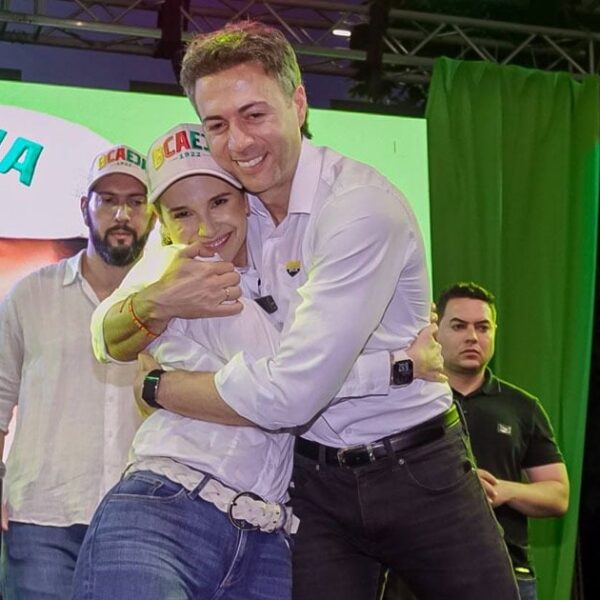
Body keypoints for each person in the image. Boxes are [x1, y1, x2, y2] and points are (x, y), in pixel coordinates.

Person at [91, 22, 519, 600]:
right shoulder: (227, 213)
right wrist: (155, 303)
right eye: (217, 124)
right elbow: (106, 329)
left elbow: (293, 394)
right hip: (310, 484)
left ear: (298, 103)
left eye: (254, 115)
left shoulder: (359, 209)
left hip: (418, 467)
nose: (238, 142)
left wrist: (161, 387)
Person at [74, 123, 441, 599]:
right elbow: (289, 389)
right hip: (170, 506)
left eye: (219, 202)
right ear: (162, 225)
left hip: (265, 535)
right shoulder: (181, 271)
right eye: (182, 213)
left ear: (247, 201)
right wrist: (396, 368)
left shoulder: (286, 264)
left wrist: (160, 386)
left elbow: (294, 382)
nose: (205, 229)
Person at [0, 145, 154, 599]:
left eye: (135, 202)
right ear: (84, 207)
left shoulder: (169, 304)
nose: (121, 215)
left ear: (153, 215)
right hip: (40, 518)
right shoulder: (30, 294)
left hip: (141, 519)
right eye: (108, 200)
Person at [435, 282, 569, 600]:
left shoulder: (522, 407)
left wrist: (502, 490)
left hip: (508, 573)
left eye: (483, 327)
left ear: (494, 332)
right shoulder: (410, 404)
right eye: (459, 326)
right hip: (422, 573)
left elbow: (558, 495)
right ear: (435, 330)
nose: (472, 337)